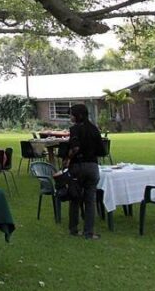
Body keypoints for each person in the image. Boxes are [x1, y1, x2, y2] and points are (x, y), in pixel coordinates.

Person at [64, 103, 103, 240]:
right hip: (92, 167)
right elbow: (102, 150)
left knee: (75, 197)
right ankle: (89, 232)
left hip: (78, 166)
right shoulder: (94, 129)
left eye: (72, 114)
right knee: (90, 200)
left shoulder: (75, 129)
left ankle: (74, 229)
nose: (70, 117)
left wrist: (68, 158)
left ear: (78, 115)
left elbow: (75, 148)